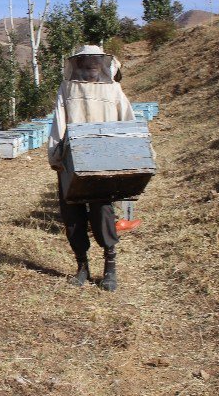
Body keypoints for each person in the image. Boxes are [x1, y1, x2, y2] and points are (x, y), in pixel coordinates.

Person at [47, 45, 135, 292]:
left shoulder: (114, 89)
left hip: (103, 160)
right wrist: (55, 157)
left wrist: (130, 154)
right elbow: (59, 121)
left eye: (95, 65)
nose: (91, 69)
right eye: (86, 65)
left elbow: (127, 120)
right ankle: (82, 265)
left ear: (103, 66)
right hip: (72, 159)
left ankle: (110, 266)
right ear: (79, 65)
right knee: (72, 215)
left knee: (102, 211)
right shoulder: (67, 88)